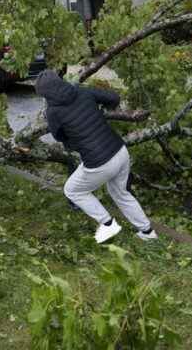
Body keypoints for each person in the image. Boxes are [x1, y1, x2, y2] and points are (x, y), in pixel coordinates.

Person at [35, 70, 158, 243]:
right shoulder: (81, 90)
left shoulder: (53, 111)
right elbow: (113, 98)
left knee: (72, 190)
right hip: (120, 151)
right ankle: (147, 232)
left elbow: (58, 136)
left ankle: (108, 224)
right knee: (121, 193)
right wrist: (99, 109)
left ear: (45, 93)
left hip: (100, 162)